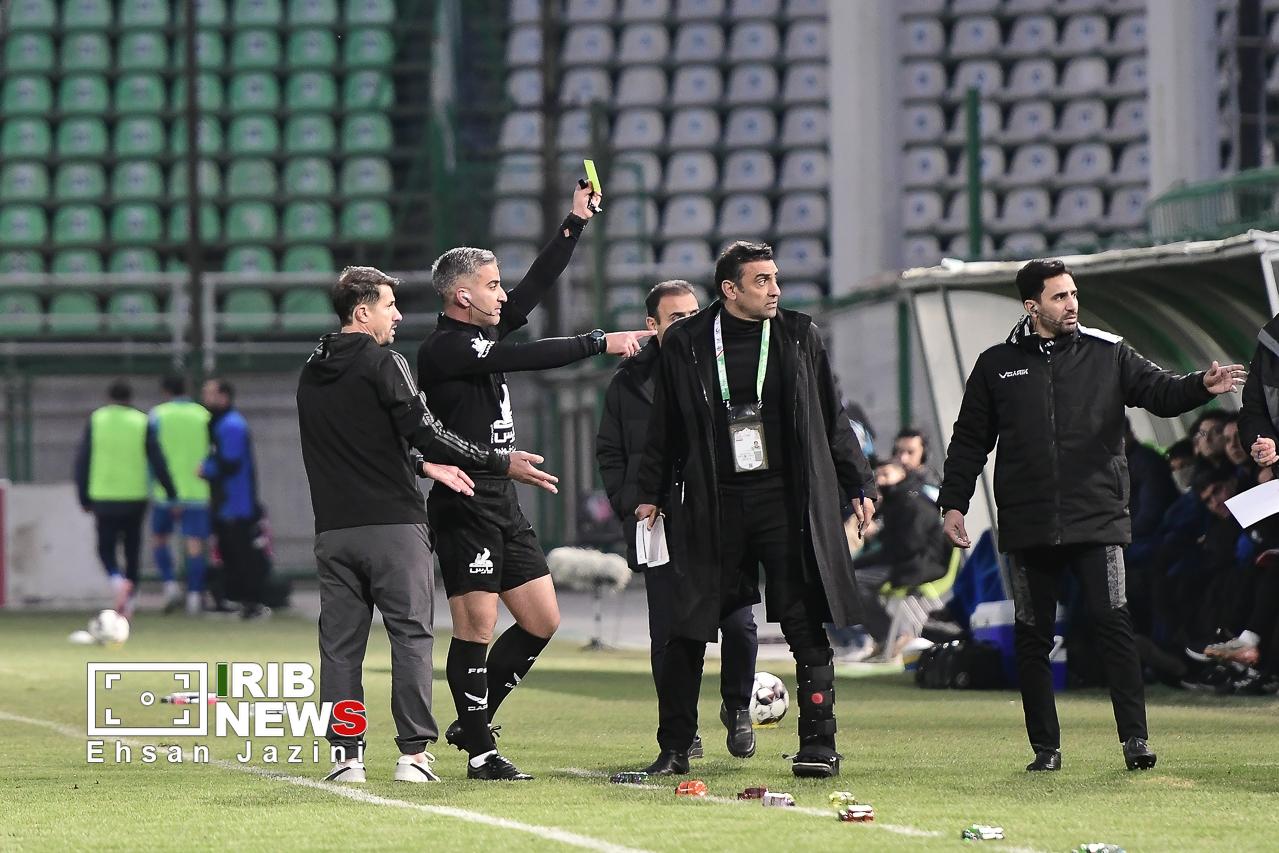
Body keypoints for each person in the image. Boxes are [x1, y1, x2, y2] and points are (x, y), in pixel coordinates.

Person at [938, 257, 1245, 773]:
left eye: (1074, 294)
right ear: (1032, 305)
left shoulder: (1109, 351)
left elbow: (1160, 391)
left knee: (1113, 623)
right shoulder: (996, 365)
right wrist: (954, 502)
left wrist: (1200, 385)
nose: (1072, 304)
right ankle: (1046, 750)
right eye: (1059, 296)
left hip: (1097, 517)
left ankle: (1136, 741)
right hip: (1029, 522)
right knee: (1033, 635)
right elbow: (969, 441)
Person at [417, 179, 652, 781]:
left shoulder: (483, 332)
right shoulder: (445, 348)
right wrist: (600, 341)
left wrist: (575, 223)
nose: (503, 295)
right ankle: (480, 750)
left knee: (543, 619)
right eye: (492, 285)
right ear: (462, 296)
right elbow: (525, 356)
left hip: (502, 497)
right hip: (464, 498)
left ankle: (473, 719)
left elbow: (535, 288)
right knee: (476, 625)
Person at [297, 265, 556, 784]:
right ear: (362, 312)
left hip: (333, 530)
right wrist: (498, 461)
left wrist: (420, 466)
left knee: (340, 648)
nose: (397, 315)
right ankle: (413, 756)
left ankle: (346, 758)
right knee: (411, 637)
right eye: (389, 305)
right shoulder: (384, 362)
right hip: (393, 525)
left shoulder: (312, 369)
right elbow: (427, 431)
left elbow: (362, 440)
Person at [629, 241, 877, 780]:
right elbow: (664, 424)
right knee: (687, 626)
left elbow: (832, 416)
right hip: (713, 501)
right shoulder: (687, 341)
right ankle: (675, 748)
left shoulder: (799, 334)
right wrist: (650, 491)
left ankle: (819, 746)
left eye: (775, 278)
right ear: (730, 289)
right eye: (762, 280)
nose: (775, 290)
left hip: (785, 502)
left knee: (803, 622)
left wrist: (859, 481)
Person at [596, 280, 759, 762]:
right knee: (669, 634)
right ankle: (681, 733)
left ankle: (738, 706)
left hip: (723, 518)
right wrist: (634, 502)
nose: (689, 324)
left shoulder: (728, 369)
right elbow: (610, 452)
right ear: (652, 325)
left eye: (694, 314)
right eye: (676, 318)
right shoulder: (628, 382)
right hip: (660, 523)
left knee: (739, 623)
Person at [75, 379, 178, 619]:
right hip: (135, 496)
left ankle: (116, 580)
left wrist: (83, 496)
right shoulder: (141, 421)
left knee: (105, 547)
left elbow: (83, 459)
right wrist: (170, 491)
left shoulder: (97, 419)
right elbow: (157, 459)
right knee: (132, 548)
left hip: (103, 495)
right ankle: (130, 602)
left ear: (108, 398)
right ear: (130, 399)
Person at [847, 457, 948, 659]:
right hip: (905, 562)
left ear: (901, 474)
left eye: (886, 475)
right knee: (848, 576)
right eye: (878, 476)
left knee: (854, 582)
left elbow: (906, 548)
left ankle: (891, 637)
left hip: (918, 565)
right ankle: (885, 638)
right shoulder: (897, 500)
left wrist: (859, 562)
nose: (880, 480)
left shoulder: (911, 501)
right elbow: (891, 547)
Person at [199, 378, 269, 619]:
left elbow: (230, 462)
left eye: (209, 393)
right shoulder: (219, 423)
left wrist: (207, 470)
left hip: (236, 502)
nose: (205, 398)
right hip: (224, 502)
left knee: (241, 553)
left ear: (223, 396)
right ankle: (234, 600)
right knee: (228, 552)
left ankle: (252, 602)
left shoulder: (231, 425)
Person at [147, 374, 211, 615]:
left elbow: (151, 453)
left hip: (165, 491)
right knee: (194, 544)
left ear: (165, 391)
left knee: (159, 539)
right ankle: (194, 595)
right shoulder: (203, 415)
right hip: (197, 489)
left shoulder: (157, 415)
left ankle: (170, 584)